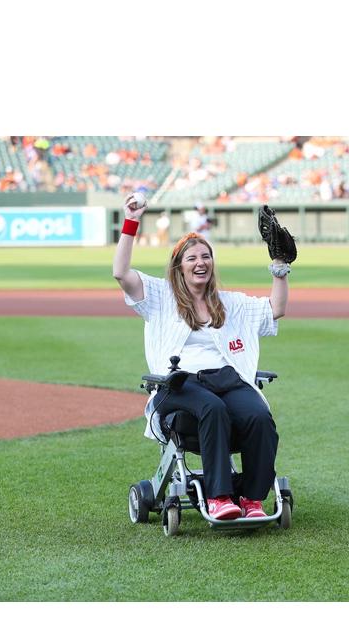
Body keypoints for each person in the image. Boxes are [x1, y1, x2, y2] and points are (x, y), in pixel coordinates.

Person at [114, 193, 288, 521]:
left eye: (206, 256)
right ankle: (219, 496)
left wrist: (280, 270)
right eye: (192, 257)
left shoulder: (230, 303)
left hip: (227, 378)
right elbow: (122, 274)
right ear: (179, 266)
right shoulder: (161, 297)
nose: (201, 262)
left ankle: (251, 498)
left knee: (259, 417)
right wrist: (131, 221)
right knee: (213, 408)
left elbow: (275, 310)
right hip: (178, 385)